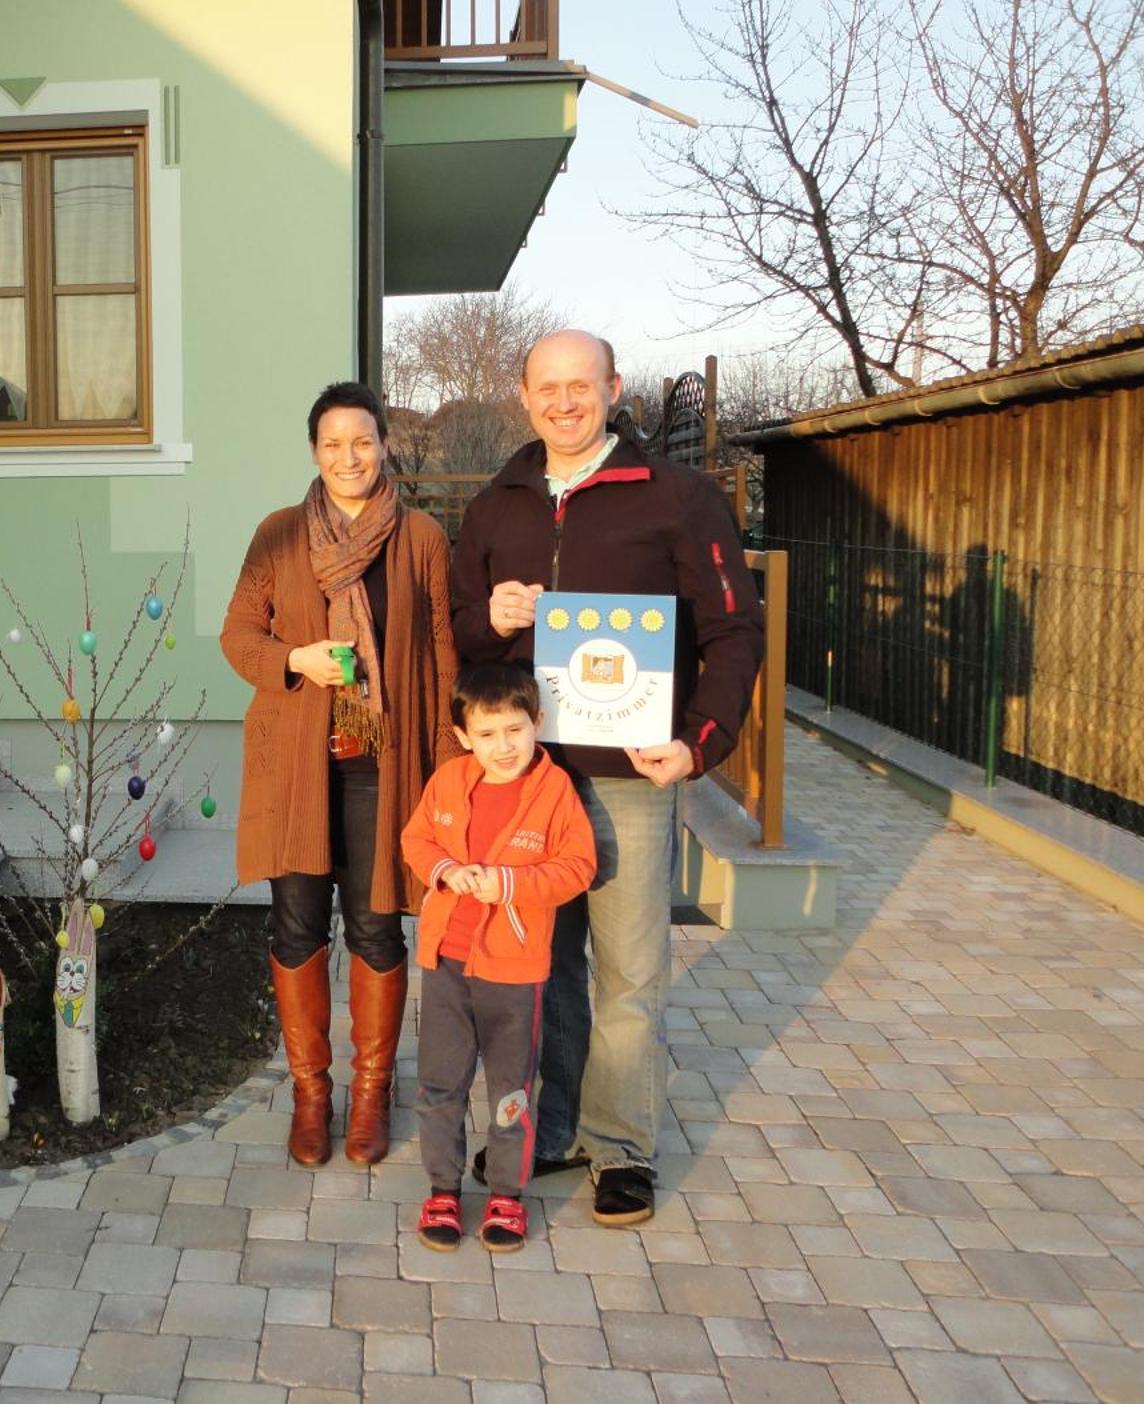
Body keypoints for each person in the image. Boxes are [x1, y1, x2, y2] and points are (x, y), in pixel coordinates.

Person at [450, 331, 764, 1226]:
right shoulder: (496, 506)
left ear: (612, 388)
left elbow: (735, 630)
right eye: (546, 387)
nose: (562, 402)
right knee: (540, 968)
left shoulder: (677, 497)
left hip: (628, 778)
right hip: (530, 781)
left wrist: (699, 740)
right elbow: (464, 636)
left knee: (629, 972)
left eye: (579, 386)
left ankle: (621, 1147)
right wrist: (489, 615)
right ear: (523, 395)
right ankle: (552, 1131)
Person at [221, 380, 458, 1167]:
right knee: (294, 927)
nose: (348, 457)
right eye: (332, 444)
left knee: (377, 926)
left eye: (362, 441)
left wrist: (450, 768)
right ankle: (312, 1095)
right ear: (314, 451)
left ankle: (372, 1092)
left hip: (382, 766)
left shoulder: (419, 537)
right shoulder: (281, 535)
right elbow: (237, 637)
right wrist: (296, 658)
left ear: (385, 444)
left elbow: (442, 651)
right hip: (298, 765)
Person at [400, 663, 595, 1253]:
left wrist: (510, 884)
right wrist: (446, 871)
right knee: (440, 1083)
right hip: (446, 967)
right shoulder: (450, 782)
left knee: (511, 1088)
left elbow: (577, 867)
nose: (503, 746)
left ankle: (507, 1196)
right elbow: (417, 840)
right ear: (463, 737)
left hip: (513, 973)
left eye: (514, 730)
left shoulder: (554, 790)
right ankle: (442, 1189)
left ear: (537, 722)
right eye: (486, 735)